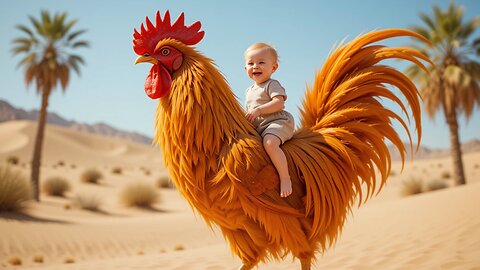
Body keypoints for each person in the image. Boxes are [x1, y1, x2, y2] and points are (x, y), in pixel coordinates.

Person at [244, 43, 295, 198]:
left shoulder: (271, 84)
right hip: (261, 126)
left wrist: (259, 110)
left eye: (261, 62)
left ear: (274, 68)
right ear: (245, 69)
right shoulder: (249, 91)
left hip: (278, 122)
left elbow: (279, 103)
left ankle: (285, 178)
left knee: (270, 143)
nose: (255, 66)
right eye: (250, 63)